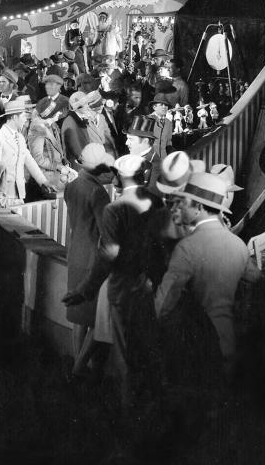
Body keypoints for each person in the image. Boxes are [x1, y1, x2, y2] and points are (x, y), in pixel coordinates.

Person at [64, 153, 171, 422]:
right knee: (146, 347)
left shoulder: (115, 209)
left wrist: (85, 289)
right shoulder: (157, 202)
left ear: (119, 178)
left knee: (121, 351)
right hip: (151, 283)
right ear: (144, 175)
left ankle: (126, 412)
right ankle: (145, 409)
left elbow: (108, 254)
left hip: (120, 285)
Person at [155, 172, 250, 381]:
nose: (178, 207)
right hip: (229, 340)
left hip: (195, 345)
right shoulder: (239, 245)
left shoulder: (187, 248)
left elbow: (163, 306)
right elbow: (255, 283)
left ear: (198, 207)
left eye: (184, 203)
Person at [63, 143, 115, 377]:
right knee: (95, 318)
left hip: (75, 253)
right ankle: (79, 369)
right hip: (93, 259)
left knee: (78, 317)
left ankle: (76, 364)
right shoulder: (98, 193)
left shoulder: (72, 186)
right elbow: (107, 232)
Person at [0, 98, 53, 204]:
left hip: (19, 193)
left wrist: (43, 182)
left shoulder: (20, 137)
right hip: (3, 195)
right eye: (23, 116)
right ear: (14, 117)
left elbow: (29, 161)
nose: (26, 120)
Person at [27, 97, 74, 194]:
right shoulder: (37, 129)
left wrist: (63, 160)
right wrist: (59, 167)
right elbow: (38, 159)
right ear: (50, 114)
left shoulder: (52, 125)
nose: (60, 113)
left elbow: (56, 147)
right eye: (57, 112)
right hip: (46, 177)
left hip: (56, 175)